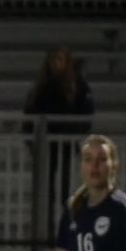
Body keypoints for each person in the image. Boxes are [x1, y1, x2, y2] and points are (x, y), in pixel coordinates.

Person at [23, 46, 95, 240]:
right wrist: (31, 142)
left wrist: (75, 135)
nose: (57, 64)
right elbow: (30, 116)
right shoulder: (42, 88)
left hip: (66, 145)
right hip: (47, 148)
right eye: (54, 59)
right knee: (46, 193)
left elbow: (86, 115)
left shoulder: (76, 86)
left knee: (66, 193)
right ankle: (46, 237)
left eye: (61, 59)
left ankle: (65, 236)